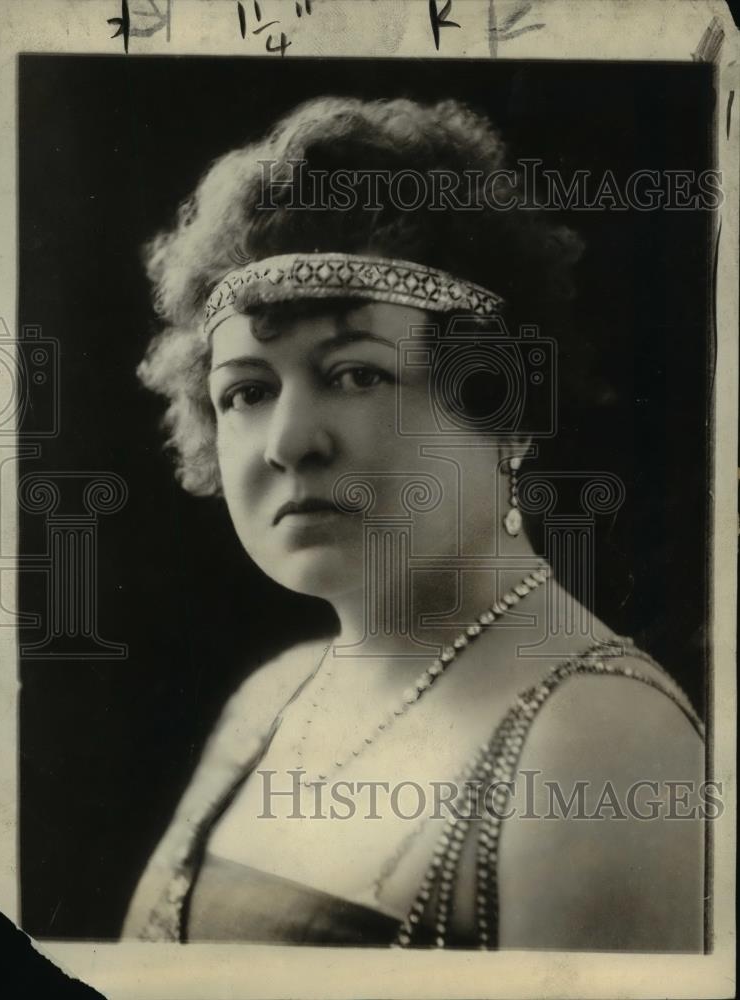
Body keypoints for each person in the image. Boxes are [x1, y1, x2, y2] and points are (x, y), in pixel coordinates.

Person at [122, 96, 705, 950]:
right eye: (247, 392)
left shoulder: (599, 742)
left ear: (502, 408)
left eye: (355, 375)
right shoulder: (271, 700)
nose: (289, 441)